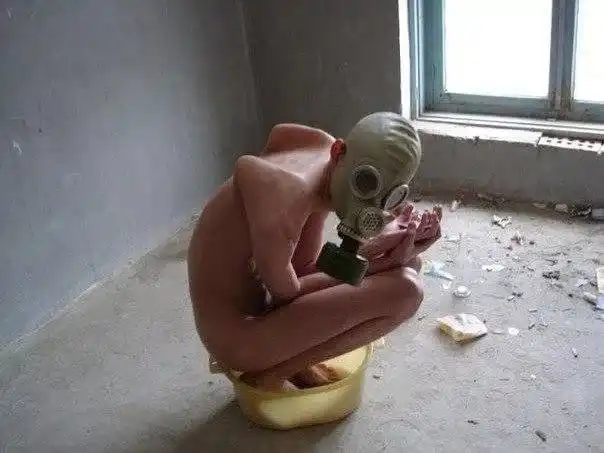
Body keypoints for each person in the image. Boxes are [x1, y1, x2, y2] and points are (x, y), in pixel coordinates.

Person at [187, 112, 442, 390]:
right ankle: (271, 374)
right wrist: (380, 261)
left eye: (389, 197)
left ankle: (287, 364)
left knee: (411, 264)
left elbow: (303, 268)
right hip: (238, 336)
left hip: (267, 297)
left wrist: (387, 245)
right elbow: (285, 297)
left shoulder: (323, 161)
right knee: (407, 291)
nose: (371, 206)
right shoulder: (285, 198)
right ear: (338, 151)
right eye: (365, 183)